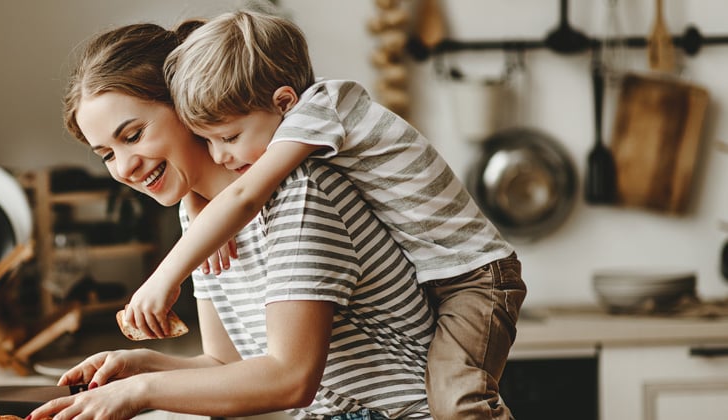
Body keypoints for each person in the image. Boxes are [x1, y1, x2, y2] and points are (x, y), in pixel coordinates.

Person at [123, 10, 527, 420]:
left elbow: (244, 196)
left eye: (228, 138)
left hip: (476, 277)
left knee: (459, 399)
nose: (220, 156)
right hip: (442, 275)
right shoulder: (306, 119)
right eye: (206, 142)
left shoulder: (318, 116)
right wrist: (195, 200)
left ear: (284, 102)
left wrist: (164, 277)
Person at [28, 19, 435, 420]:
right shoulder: (201, 220)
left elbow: (290, 379)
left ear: (185, 103)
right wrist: (140, 367)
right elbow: (225, 365)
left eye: (133, 136)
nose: (125, 168)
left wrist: (141, 392)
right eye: (107, 155)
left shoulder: (298, 193)